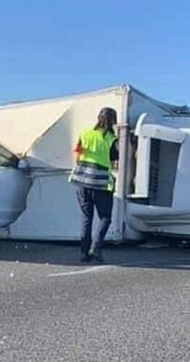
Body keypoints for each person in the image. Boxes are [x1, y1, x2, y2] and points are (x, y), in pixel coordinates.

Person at [69, 107, 119, 263]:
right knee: (105, 217)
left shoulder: (84, 133)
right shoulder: (111, 138)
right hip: (100, 183)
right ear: (113, 121)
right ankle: (95, 248)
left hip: (81, 181)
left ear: (98, 117)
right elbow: (114, 159)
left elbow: (76, 152)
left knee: (86, 217)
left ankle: (84, 254)